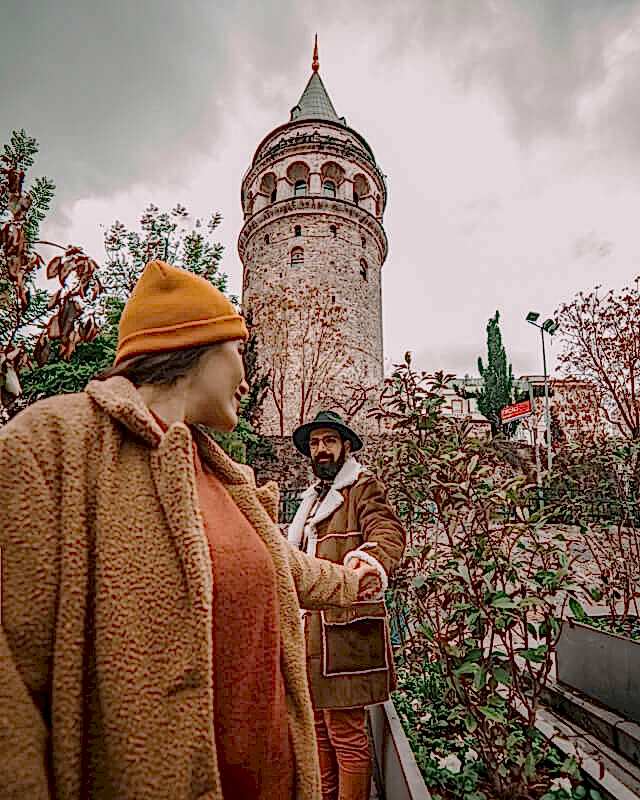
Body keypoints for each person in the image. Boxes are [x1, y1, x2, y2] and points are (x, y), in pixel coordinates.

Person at [0, 260, 383, 800]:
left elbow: (279, 564)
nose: (248, 378)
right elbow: (10, 682)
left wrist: (353, 580)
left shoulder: (221, 472)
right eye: (240, 353)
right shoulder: (54, 443)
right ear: (197, 344)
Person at [288, 411, 406, 800]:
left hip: (346, 631)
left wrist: (369, 561)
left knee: (347, 734)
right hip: (311, 634)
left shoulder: (363, 488)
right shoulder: (310, 500)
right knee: (320, 731)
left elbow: (388, 532)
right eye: (315, 443)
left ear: (346, 446)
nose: (321, 449)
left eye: (329, 441)